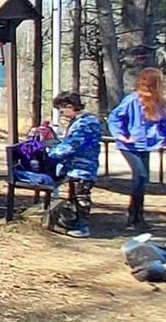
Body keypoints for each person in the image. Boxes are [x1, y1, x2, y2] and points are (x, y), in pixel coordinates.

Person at [109, 68, 166, 230]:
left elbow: (164, 122)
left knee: (143, 180)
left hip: (146, 145)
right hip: (129, 146)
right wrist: (122, 136)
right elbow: (115, 117)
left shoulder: (160, 103)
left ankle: (139, 217)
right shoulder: (132, 100)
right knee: (141, 176)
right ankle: (133, 217)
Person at [47, 91, 102, 238]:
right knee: (75, 196)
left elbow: (73, 145)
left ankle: (82, 227)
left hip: (82, 168)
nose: (62, 114)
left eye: (62, 110)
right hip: (75, 167)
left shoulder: (85, 124)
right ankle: (75, 222)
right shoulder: (79, 121)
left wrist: (52, 153)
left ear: (70, 106)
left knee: (81, 197)